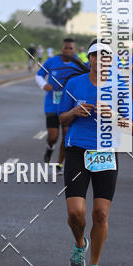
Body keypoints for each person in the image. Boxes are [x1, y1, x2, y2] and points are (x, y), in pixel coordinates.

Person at [58, 40, 133, 266]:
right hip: (77, 151)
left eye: (105, 56)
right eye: (95, 55)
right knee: (75, 213)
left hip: (106, 153)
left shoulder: (120, 88)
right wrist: (74, 112)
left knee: (101, 213)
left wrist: (113, 116)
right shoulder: (74, 84)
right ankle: (80, 242)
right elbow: (61, 118)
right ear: (90, 58)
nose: (100, 60)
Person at [35, 37, 87, 168]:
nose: (68, 50)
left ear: (74, 50)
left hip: (69, 106)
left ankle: (59, 163)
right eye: (65, 48)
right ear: (62, 48)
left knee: (66, 135)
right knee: (53, 136)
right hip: (52, 104)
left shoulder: (80, 63)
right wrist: (44, 85)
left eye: (71, 48)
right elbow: (39, 75)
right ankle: (50, 147)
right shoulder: (52, 61)